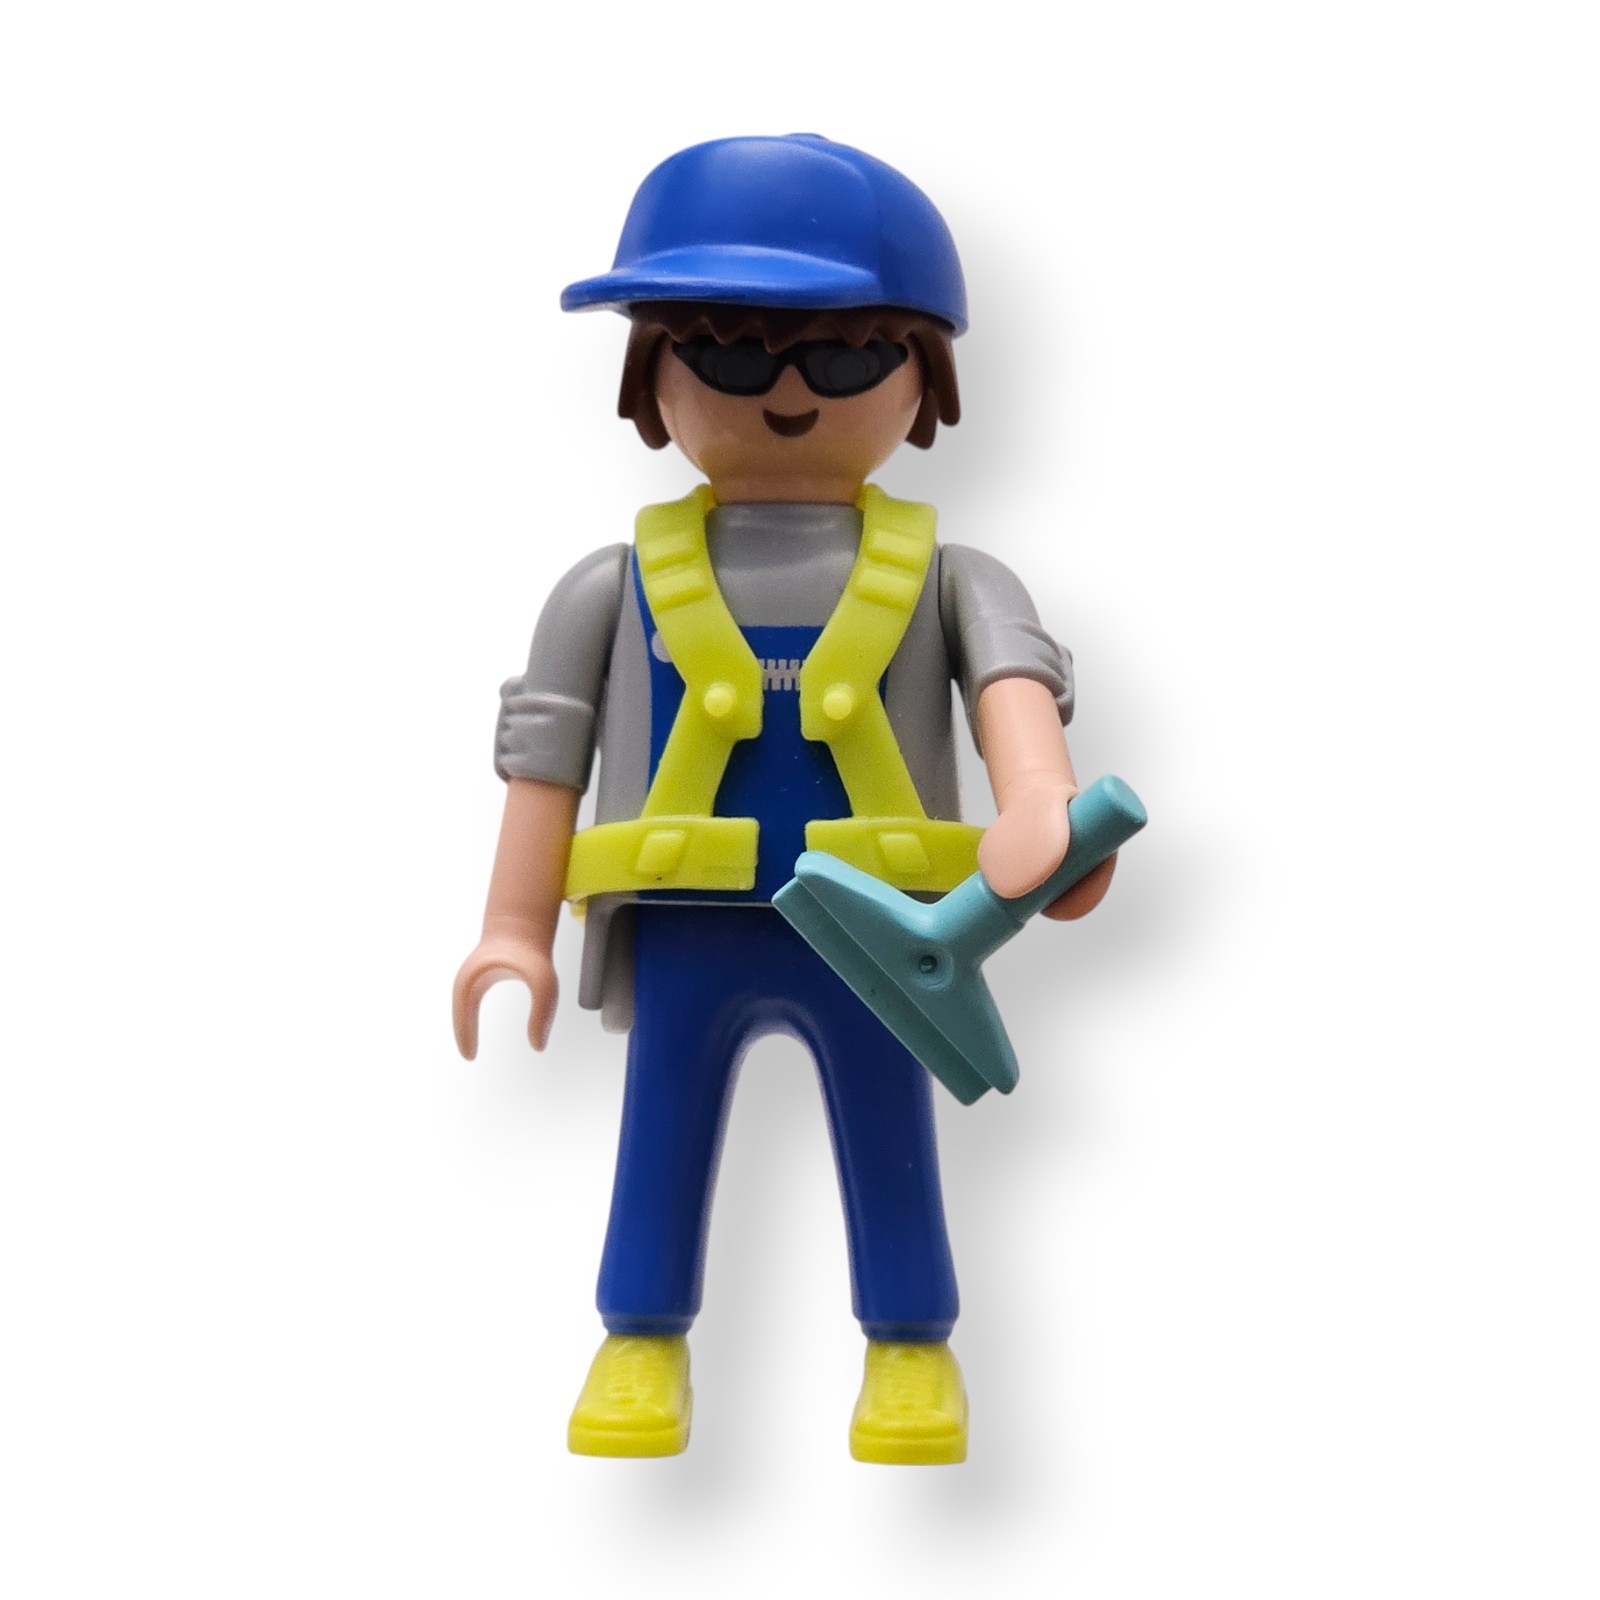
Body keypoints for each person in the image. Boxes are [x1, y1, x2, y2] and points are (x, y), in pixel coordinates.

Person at [452, 134, 1114, 1464]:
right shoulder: (606, 586)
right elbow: (547, 758)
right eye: (734, 357)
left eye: (850, 357)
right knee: (660, 1129)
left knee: (889, 1131)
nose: (793, 391)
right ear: (655, 377)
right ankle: (640, 1337)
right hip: (686, 927)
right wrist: (512, 928)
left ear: (923, 378)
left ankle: (911, 1347)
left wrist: (1040, 810)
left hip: (882, 930)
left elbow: (1017, 709)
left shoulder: (957, 578)